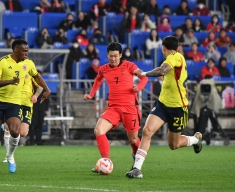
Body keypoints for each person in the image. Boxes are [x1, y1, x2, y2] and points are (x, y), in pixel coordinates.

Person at [126, 36, 203, 179]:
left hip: (178, 108)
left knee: (173, 145)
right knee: (147, 131)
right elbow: (162, 69)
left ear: (163, 48)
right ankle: (137, 169)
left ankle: (195, 140)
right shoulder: (173, 58)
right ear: (178, 47)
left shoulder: (175, 57)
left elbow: (162, 71)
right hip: (162, 104)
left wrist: (142, 74)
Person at [0, 39, 51, 174]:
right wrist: (10, 81)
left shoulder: (29, 63)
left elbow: (37, 76)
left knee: (16, 131)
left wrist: (46, 89)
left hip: (14, 103)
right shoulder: (2, 61)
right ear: (16, 50)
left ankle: (10, 156)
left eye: (27, 50)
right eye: (24, 51)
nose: (27, 53)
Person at [83, 42, 148, 174]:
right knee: (98, 130)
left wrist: (138, 87)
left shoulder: (129, 66)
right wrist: (91, 94)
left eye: (116, 56)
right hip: (113, 108)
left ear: (121, 55)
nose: (113, 59)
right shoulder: (104, 69)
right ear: (107, 55)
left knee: (133, 140)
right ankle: (105, 162)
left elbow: (143, 77)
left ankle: (137, 166)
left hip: (130, 108)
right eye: (111, 56)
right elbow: (98, 80)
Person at [2, 73, 43, 161]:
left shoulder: (31, 71)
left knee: (23, 133)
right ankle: (8, 155)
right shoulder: (12, 69)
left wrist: (35, 96)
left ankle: (10, 152)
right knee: (8, 127)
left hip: (27, 105)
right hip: (14, 103)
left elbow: (41, 87)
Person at [29, 70, 50, 145]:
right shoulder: (31, 85)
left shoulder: (44, 87)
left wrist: (46, 109)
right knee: (33, 124)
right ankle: (31, 140)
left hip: (41, 108)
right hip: (33, 107)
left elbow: (47, 98)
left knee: (40, 124)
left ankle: (38, 140)